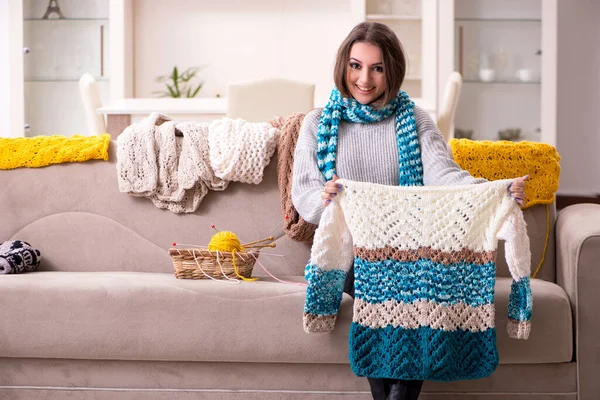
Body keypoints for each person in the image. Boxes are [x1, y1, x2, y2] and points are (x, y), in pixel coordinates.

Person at [291, 21, 527, 400]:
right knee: (392, 280)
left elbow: (444, 176)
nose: (363, 78)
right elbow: (303, 193)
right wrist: (325, 198)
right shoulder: (318, 123)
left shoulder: (415, 121)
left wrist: (494, 193)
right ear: (343, 66)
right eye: (355, 65)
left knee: (411, 279)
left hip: (409, 253)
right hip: (350, 253)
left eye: (377, 68)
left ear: (393, 71)